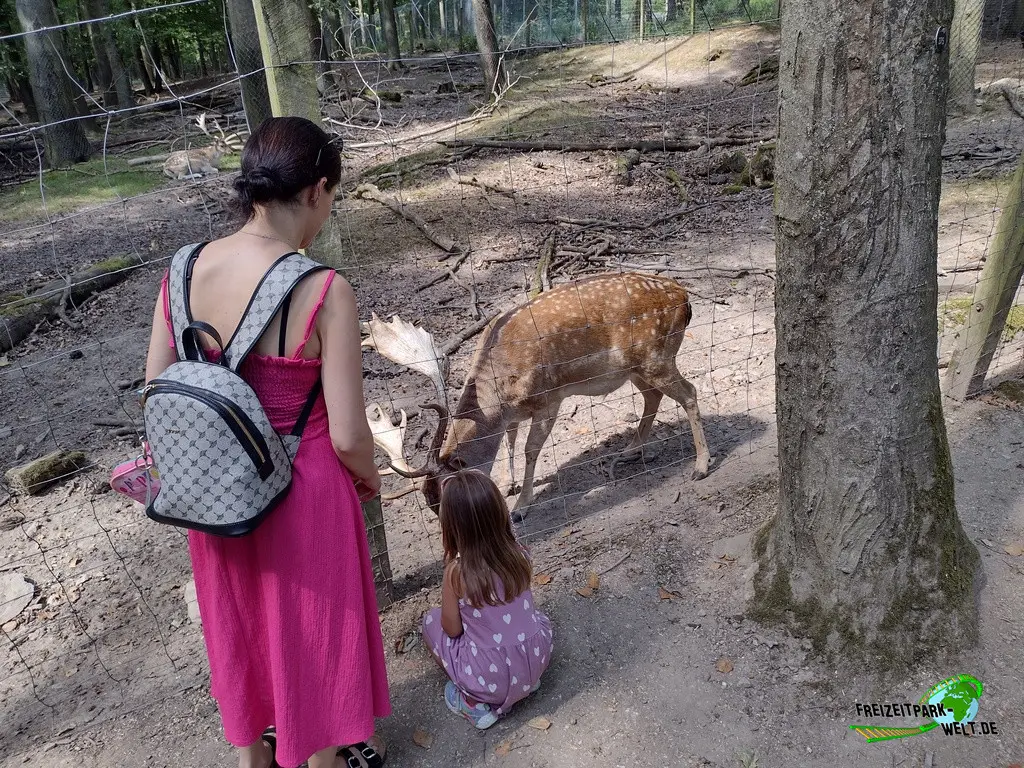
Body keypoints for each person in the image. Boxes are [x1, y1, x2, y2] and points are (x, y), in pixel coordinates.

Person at [144, 116, 390, 768]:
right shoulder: (324, 290)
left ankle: (258, 756)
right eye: (331, 196)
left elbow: (156, 389)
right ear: (315, 191)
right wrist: (368, 478)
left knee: (244, 633)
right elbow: (345, 434)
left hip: (214, 498)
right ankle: (325, 757)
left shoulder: (181, 271)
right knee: (312, 639)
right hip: (303, 493)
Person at [421, 469, 553, 730]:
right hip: (536, 661)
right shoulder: (521, 554)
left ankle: (472, 704)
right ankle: (525, 683)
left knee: (430, 622)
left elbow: (452, 629)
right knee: (535, 618)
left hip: (489, 678)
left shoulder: (457, 574)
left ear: (451, 527)